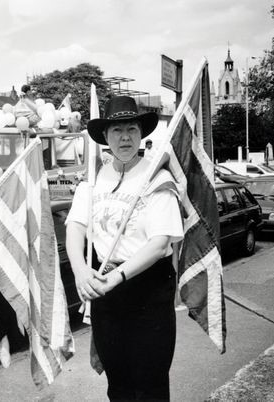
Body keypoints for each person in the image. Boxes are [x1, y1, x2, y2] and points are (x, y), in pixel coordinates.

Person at [65, 96, 184, 400]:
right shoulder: (93, 180)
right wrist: (80, 271)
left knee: (149, 385)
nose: (125, 137)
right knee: (117, 385)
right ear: (105, 137)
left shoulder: (157, 176)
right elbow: (76, 228)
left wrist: (115, 278)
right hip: (106, 289)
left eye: (131, 129)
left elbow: (159, 244)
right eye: (117, 131)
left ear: (141, 133)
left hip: (147, 288)